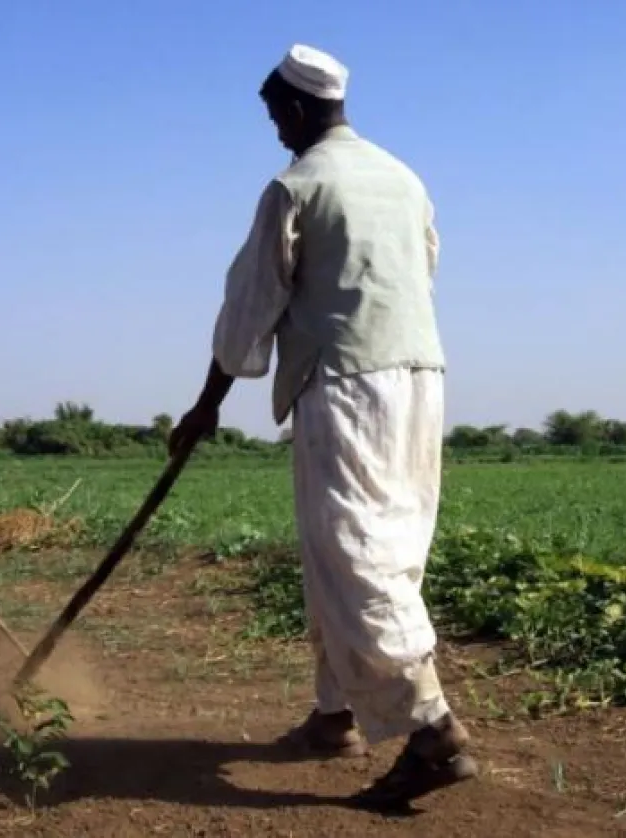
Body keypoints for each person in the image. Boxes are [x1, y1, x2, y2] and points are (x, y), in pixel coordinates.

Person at [169, 44, 477, 809]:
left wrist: (206, 403)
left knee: (356, 555)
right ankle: (335, 712)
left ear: (300, 108)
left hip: (344, 385)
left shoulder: (296, 185)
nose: (275, 128)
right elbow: (422, 269)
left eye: (276, 113)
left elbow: (252, 302)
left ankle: (432, 732)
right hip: (419, 376)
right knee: (376, 547)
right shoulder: (403, 179)